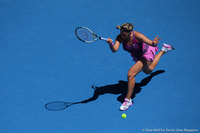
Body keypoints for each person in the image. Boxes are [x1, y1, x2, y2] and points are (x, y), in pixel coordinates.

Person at [106, 23, 175, 111]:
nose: (122, 35)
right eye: (121, 33)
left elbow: (152, 44)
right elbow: (114, 50)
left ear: (130, 32)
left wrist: (154, 42)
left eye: (124, 34)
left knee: (131, 74)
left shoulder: (138, 36)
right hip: (138, 56)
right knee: (148, 71)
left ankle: (128, 100)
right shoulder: (120, 37)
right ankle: (164, 50)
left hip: (146, 53)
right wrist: (111, 43)